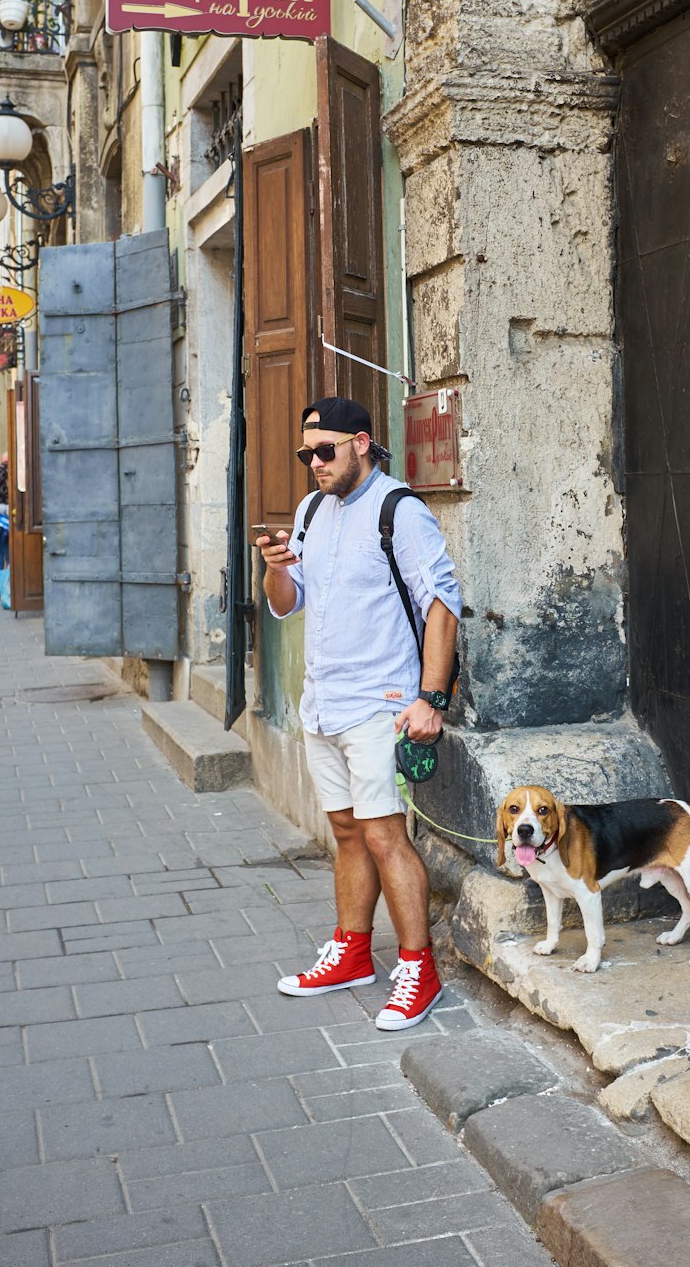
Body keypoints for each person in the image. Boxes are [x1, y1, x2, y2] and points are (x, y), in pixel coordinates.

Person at [260, 396, 462, 1031]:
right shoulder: (311, 511)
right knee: (346, 834)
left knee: (383, 836)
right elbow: (288, 603)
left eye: (326, 450)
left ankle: (418, 968)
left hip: (382, 705)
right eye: (306, 453)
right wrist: (273, 571)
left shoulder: (399, 511)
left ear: (362, 442)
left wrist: (431, 700)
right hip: (322, 704)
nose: (315, 464)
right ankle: (351, 952)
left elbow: (443, 604)